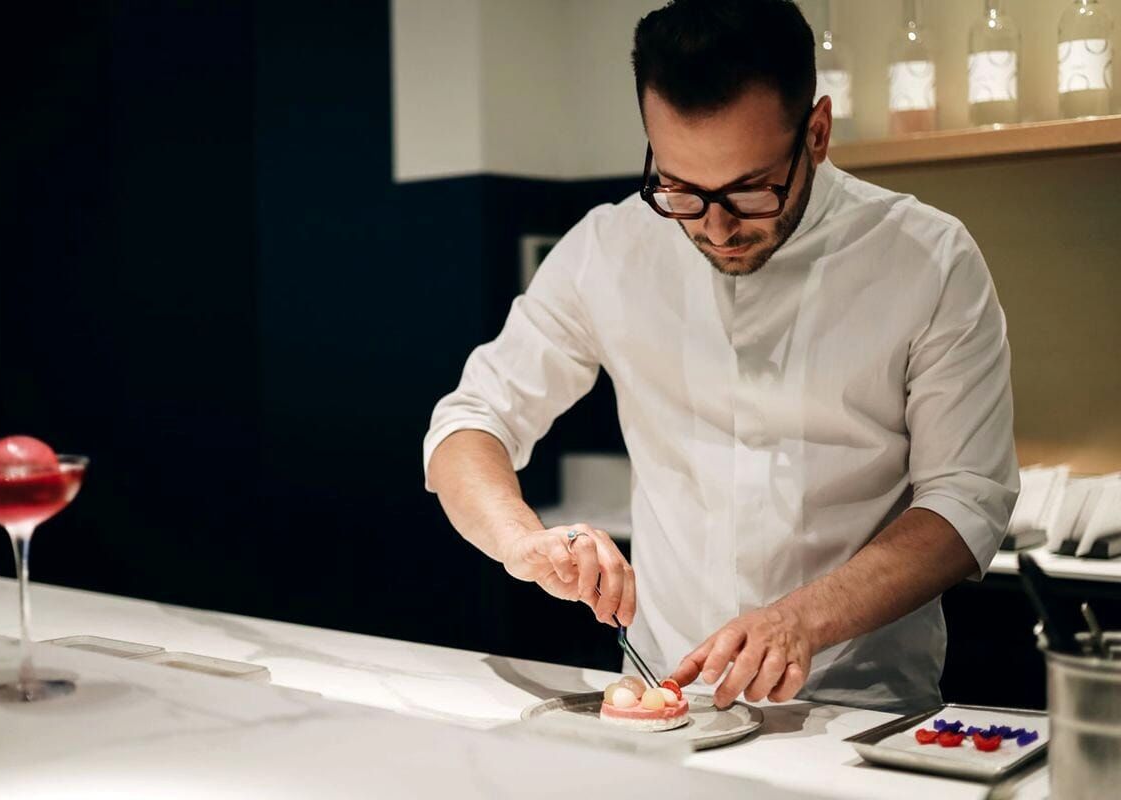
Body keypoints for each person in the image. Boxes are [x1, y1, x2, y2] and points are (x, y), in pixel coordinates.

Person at [423, 0, 1018, 713]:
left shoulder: (928, 258)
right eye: (679, 187)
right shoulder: (609, 250)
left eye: (749, 189)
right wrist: (523, 543)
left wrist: (802, 619)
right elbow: (470, 421)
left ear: (818, 131)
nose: (716, 226)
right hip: (662, 697)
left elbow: (965, 498)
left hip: (859, 710)